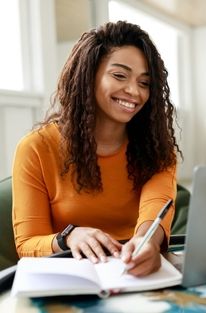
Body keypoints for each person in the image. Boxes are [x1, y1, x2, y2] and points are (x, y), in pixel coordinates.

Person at [12, 21, 182, 277]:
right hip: (70, 276)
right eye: (119, 75)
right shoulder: (36, 147)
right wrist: (68, 237)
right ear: (88, 74)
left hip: (137, 274)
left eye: (145, 83)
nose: (134, 91)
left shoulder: (157, 147)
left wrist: (148, 240)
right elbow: (27, 244)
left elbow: (155, 207)